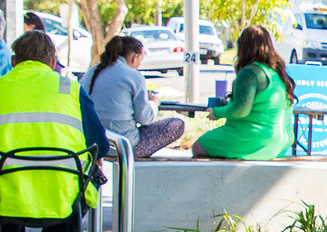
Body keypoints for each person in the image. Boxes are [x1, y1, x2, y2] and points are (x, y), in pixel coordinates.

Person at [0, 30, 109, 232]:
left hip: (6, 193)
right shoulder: (70, 89)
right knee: (88, 179)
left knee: (9, 181)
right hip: (61, 192)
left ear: (14, 62)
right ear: (52, 62)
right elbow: (100, 144)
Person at [192, 24, 293, 160]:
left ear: (243, 47)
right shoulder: (277, 73)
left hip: (253, 138)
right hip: (278, 143)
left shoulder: (250, 72)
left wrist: (216, 112)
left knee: (199, 147)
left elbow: (241, 110)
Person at [83, 35, 185, 157]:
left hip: (94, 143)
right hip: (123, 145)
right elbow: (144, 118)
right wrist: (153, 103)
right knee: (176, 125)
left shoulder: (92, 72)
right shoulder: (133, 76)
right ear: (135, 57)